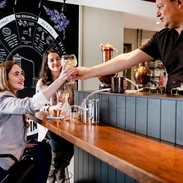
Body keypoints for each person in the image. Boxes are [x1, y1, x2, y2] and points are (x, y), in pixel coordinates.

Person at [75, 0, 183, 94]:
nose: (157, 14)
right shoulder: (163, 37)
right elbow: (128, 58)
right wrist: (88, 72)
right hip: (173, 106)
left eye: (160, 6)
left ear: (179, 3)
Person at [0, 60, 74, 183]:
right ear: (4, 78)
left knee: (42, 147)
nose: (22, 77)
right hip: (3, 165)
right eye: (16, 74)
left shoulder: (7, 99)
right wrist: (60, 79)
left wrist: (21, 144)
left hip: (9, 154)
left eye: (21, 73)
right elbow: (32, 104)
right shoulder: (3, 99)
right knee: (44, 150)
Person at [36, 50, 77, 183]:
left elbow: (74, 103)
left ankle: (60, 173)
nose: (55, 62)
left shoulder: (71, 81)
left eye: (57, 58)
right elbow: (37, 106)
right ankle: (52, 175)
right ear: (47, 64)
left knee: (72, 143)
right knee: (56, 141)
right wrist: (50, 108)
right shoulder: (42, 83)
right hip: (50, 124)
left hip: (66, 122)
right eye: (51, 60)